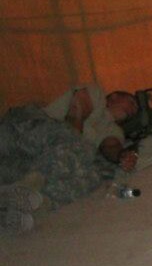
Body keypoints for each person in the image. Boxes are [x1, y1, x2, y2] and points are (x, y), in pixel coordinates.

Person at [0, 85, 139, 233]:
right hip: (21, 133)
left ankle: (32, 206)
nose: (134, 109)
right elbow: (74, 118)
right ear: (114, 97)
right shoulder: (97, 96)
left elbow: (111, 146)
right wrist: (78, 153)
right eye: (131, 102)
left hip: (23, 162)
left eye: (135, 110)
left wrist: (121, 156)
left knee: (93, 177)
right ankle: (28, 186)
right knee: (80, 149)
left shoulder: (114, 130)